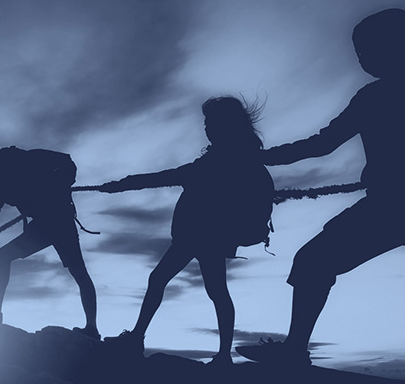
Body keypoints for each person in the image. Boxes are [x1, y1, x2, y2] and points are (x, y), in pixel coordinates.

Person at [235, 9, 405, 384]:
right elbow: (323, 143)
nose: (360, 59)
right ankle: (295, 352)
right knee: (313, 261)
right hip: (388, 205)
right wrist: (257, 157)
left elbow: (322, 144)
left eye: (364, 50)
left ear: (398, 42)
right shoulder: (372, 96)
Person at [98, 96, 275, 366]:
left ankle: (140, 339)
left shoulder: (223, 160)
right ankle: (221, 354)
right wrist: (123, 184)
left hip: (202, 235)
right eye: (206, 123)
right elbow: (173, 176)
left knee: (173, 282)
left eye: (210, 122)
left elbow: (168, 176)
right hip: (203, 235)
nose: (206, 128)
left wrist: (122, 185)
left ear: (224, 125)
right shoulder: (235, 158)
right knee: (208, 289)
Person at [0, 135, 100, 339]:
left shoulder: (28, 159)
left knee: (79, 272)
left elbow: (66, 162)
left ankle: (92, 328)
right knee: (3, 256)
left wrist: (61, 185)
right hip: (41, 227)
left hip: (59, 222)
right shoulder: (1, 185)